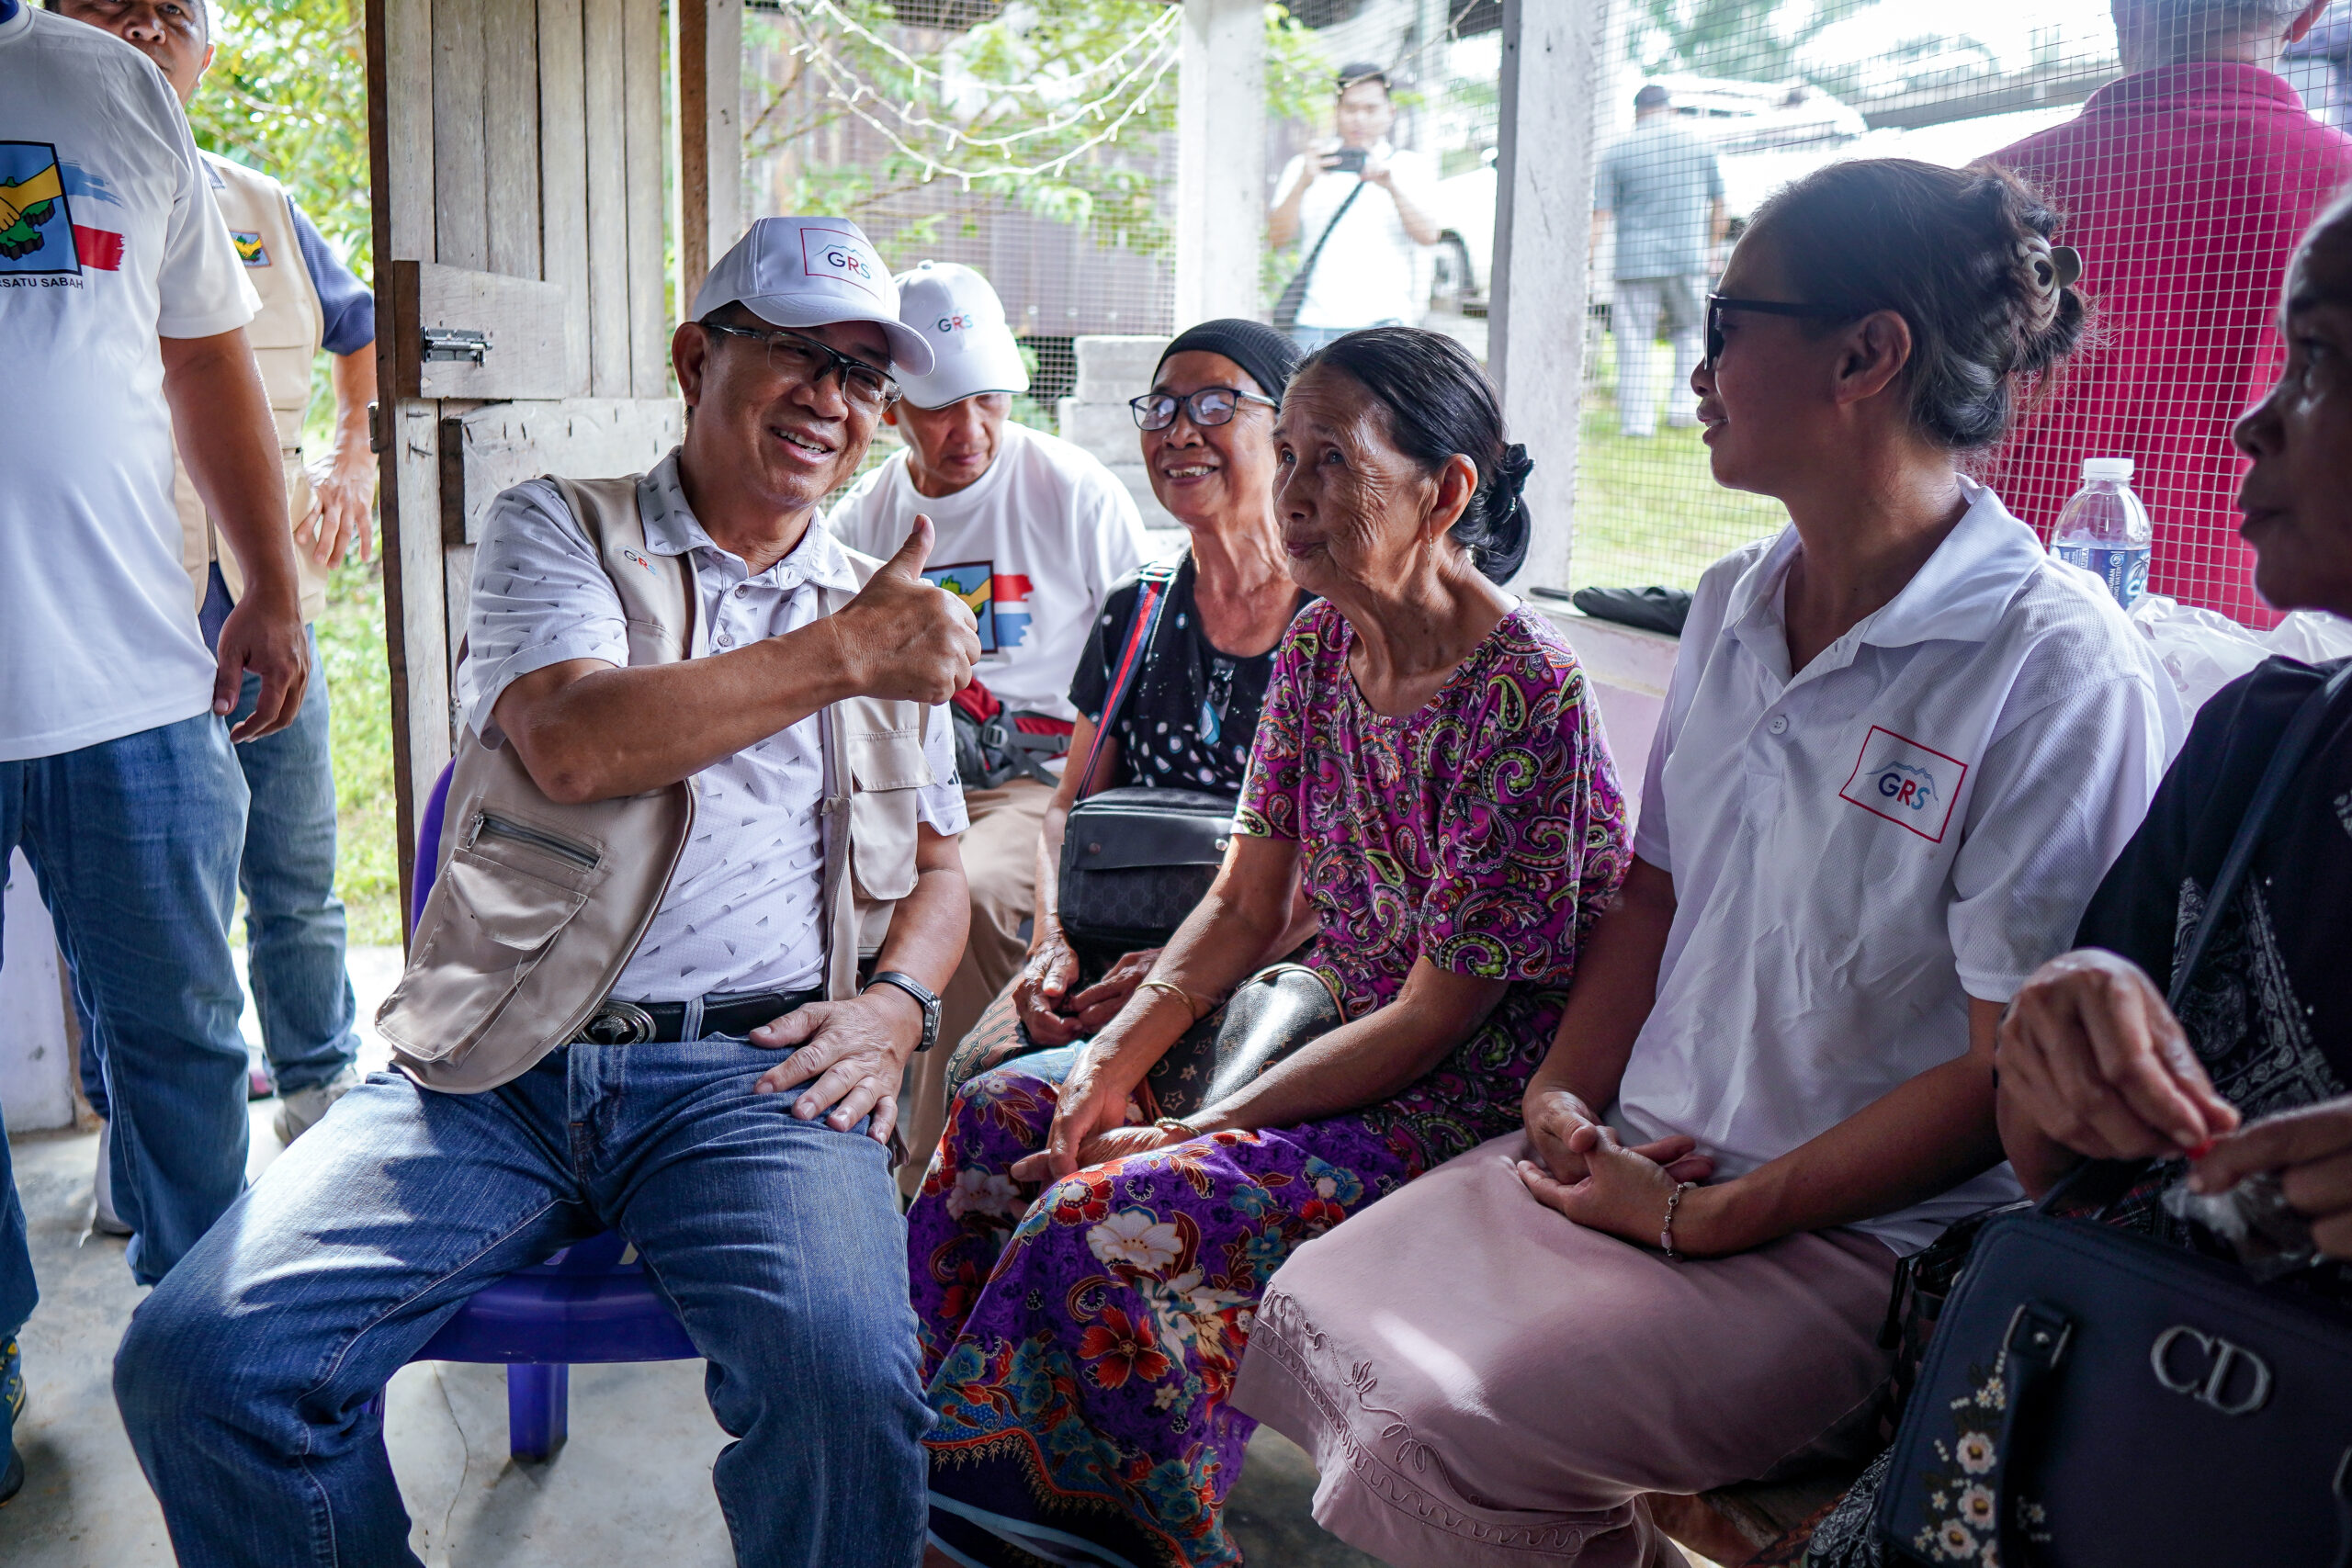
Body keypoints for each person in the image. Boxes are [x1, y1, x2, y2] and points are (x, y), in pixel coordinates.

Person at [1231, 159, 2180, 1568]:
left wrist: (1709, 1216)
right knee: (1313, 1297)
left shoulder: (2048, 665)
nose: (1694, 359)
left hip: (1861, 1238)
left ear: (1865, 356)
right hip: (1643, 1155)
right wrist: (1562, 1093)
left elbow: (2006, 1071)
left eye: (1731, 322)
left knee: (1454, 1414)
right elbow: (1654, 889)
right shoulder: (1739, 600)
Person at [113, 217, 978, 1567]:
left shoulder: (881, 609)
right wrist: (846, 650)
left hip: (757, 1081)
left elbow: (938, 867)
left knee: (848, 1392)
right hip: (500, 1062)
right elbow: (577, 744)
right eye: (795, 351)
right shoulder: (563, 526)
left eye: (864, 374)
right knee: (201, 1362)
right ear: (695, 357)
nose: (832, 396)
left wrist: (899, 1004)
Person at [912, 327, 1630, 1568]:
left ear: (1446, 490)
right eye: (1286, 455)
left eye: (1330, 462)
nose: (1292, 493)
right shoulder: (1320, 644)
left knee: (1111, 1218)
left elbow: (1436, 1017)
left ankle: (1075, 1544)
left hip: (1453, 1086)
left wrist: (1204, 1125)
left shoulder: (1524, 693)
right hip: (1315, 1021)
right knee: (999, 1118)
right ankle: (924, 1487)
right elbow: (1247, 903)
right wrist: (1115, 1060)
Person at [1803, 184, 2352, 1568]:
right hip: (2079, 1448)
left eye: (2320, 361)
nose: (2254, 420)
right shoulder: (2262, 744)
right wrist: (2061, 1036)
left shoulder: (2055, 657)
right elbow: (2058, 1162)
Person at [0, 0, 309, 1506]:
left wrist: (271, 579)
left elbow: (205, 363)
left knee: (185, 1032)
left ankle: (209, 1340)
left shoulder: (107, 87)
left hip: (128, 673)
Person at [54, 0, 378, 1200]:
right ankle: (138, 1140)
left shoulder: (261, 205)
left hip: (258, 607)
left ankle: (320, 1092)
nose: (145, 29)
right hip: (106, 628)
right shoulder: (37, 187)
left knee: (294, 870)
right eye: (111, 3)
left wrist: (354, 452)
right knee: (128, 908)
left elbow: (362, 330)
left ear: (208, 45)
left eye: (172, 11)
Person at [828, 260, 1148, 1188]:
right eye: (940, 407)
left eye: (989, 400)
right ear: (891, 406)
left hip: (1036, 779)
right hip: (905, 778)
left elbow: (1142, 654)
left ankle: (930, 1179)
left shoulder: (1072, 490)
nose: (969, 431)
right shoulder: (865, 518)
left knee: (963, 890)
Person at [983, 321, 1308, 1078]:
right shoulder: (1138, 607)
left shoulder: (1332, 622)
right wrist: (1050, 943)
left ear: (1286, 432)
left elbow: (1354, 862)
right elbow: (1067, 808)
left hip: (1273, 962)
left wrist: (1184, 968)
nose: (1179, 431)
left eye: (1216, 404)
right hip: (1112, 941)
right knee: (984, 1076)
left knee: (1075, 1102)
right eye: (1161, 407)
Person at [1982, 0, 2352, 624]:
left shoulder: (1987, 198)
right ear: (2308, 15)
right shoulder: (2342, 196)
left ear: (2123, 9)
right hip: (2260, 639)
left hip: (1994, 624)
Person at [1268, 64, 1441, 352]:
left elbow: (1429, 235)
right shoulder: (1306, 165)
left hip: (1385, 323)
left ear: (1390, 112)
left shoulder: (1409, 166)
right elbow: (1276, 238)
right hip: (1314, 322)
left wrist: (1391, 186)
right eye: (1350, 108)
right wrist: (1302, 184)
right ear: (1336, 111)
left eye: (1370, 109)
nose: (1359, 118)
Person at [1595, 82, 1727, 438]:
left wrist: (1590, 262)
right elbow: (1720, 204)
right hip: (1688, 258)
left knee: (1633, 341)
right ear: (1670, 108)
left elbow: (1601, 214)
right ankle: (1684, 410)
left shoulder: (1617, 150)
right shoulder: (1699, 145)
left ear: (1637, 112)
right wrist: (1713, 249)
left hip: (1634, 262)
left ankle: (1637, 423)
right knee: (1690, 335)